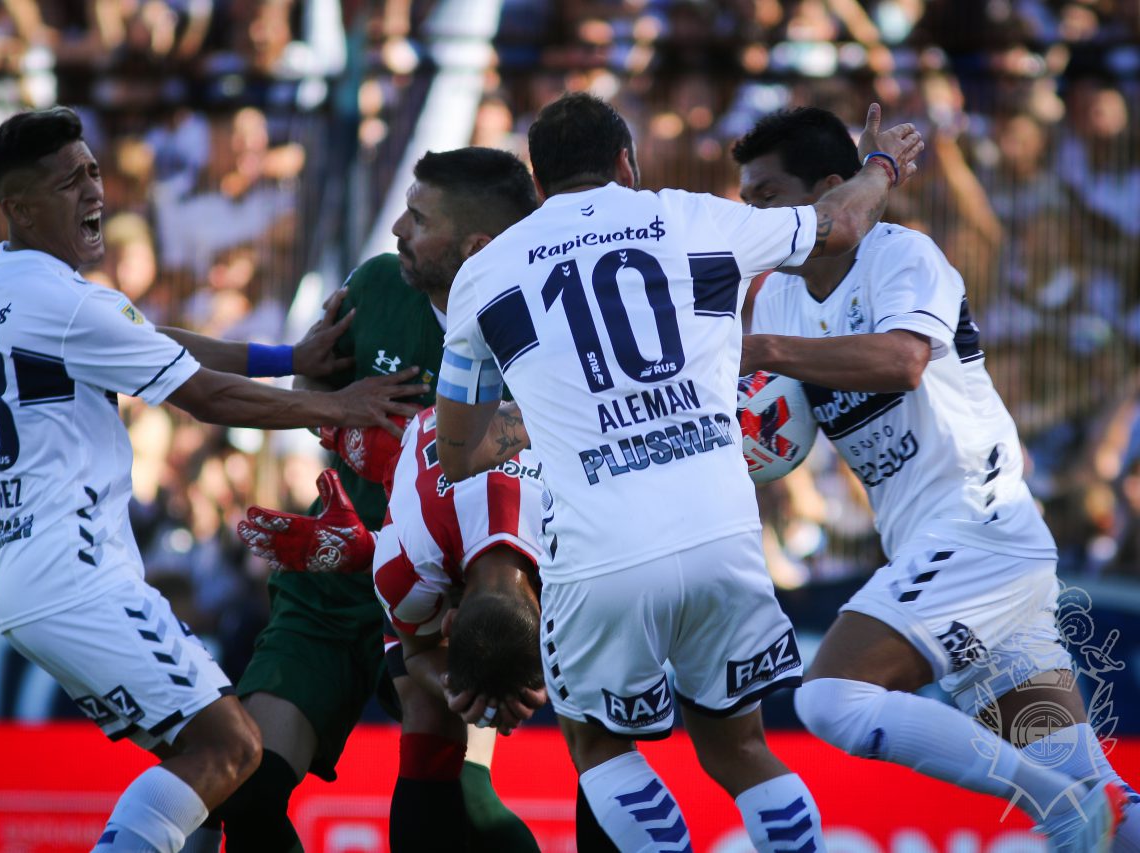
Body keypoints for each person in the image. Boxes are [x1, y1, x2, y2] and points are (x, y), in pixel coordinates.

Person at [434, 92, 922, 853]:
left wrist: (553, 417)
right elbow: (843, 223)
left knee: (599, 747)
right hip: (722, 532)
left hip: (601, 551)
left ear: (538, 184)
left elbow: (459, 450)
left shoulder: (483, 274)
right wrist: (881, 164)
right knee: (740, 749)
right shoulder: (697, 217)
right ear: (625, 163)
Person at [0, 106, 424, 853]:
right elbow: (203, 397)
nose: (94, 191)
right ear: (20, 207)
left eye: (93, 172)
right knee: (232, 750)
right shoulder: (67, 301)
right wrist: (340, 404)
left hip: (29, 575)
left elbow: (143, 339)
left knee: (214, 777)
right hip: (76, 576)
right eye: (68, 182)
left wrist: (288, 359)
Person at [735, 106, 1132, 849]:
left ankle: (1056, 808)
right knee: (1103, 798)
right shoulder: (782, 296)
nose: (752, 216)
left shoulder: (902, 255)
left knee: (830, 697)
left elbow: (903, 360)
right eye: (745, 200)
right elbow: (779, 423)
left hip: (976, 528)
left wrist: (761, 350)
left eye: (766, 197)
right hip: (960, 558)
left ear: (827, 190)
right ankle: (1083, 808)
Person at [218, 147, 541, 852]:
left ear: (474, 246)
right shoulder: (375, 284)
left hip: (450, 593)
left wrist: (390, 451)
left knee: (461, 805)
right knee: (247, 794)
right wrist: (338, 414)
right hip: (333, 580)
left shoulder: (538, 327)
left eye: (419, 219)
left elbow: (524, 479)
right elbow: (311, 390)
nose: (397, 227)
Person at [237, 406, 546, 852]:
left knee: (468, 778)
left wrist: (503, 690)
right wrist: (465, 690)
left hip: (423, 504)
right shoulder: (409, 567)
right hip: (392, 521)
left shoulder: (583, 555)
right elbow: (419, 653)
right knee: (428, 714)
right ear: (450, 621)